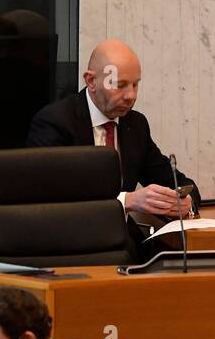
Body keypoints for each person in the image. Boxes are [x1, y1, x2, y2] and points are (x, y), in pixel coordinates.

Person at [26, 38, 198, 220]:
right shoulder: (55, 123)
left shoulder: (135, 124)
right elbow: (51, 197)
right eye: (119, 85)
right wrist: (127, 201)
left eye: (135, 84)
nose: (131, 95)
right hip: (69, 240)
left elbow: (175, 182)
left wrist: (186, 201)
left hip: (123, 242)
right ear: (91, 81)